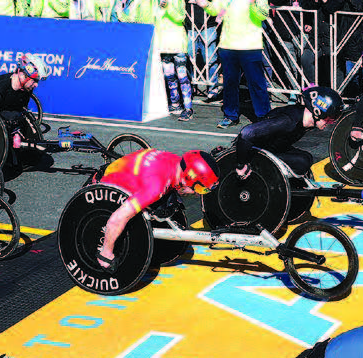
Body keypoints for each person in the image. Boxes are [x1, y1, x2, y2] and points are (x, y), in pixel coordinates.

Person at [89, 149, 220, 271]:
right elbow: (117, 218)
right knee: (137, 214)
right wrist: (106, 254)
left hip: (125, 171)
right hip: (105, 187)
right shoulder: (156, 187)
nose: (198, 195)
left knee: (168, 205)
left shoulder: (177, 162)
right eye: (200, 189)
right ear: (187, 178)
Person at [233, 85, 341, 182]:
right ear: (317, 112)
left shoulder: (305, 120)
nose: (331, 123)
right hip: (252, 151)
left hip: (272, 148)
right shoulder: (288, 121)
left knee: (306, 158)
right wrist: (241, 165)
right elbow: (247, 133)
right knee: (301, 162)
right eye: (330, 118)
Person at [196, 0, 272, 128]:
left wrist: (253, 4)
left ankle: (263, 117)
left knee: (256, 83)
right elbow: (215, 9)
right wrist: (206, 5)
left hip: (250, 46)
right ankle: (230, 115)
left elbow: (263, 15)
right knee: (230, 83)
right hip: (227, 46)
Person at [123, 0, 195, 122]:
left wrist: (167, 7)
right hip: (162, 45)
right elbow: (137, 18)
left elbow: (180, 17)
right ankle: (175, 104)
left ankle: (188, 108)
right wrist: (124, 9)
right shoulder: (151, 3)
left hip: (178, 44)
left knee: (182, 77)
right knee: (169, 77)